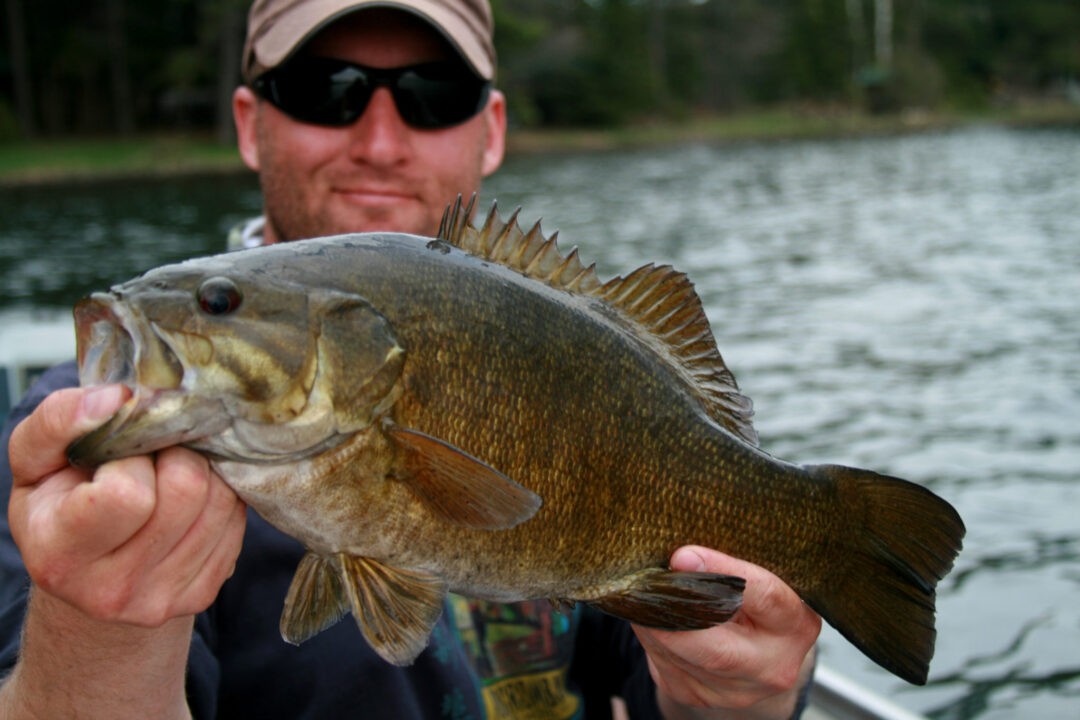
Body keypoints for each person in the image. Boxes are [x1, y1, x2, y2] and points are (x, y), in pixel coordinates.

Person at [0, 1, 820, 718]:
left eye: (434, 95)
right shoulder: (62, 453)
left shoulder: (578, 360)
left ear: (491, 128)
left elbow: (672, 699)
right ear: (250, 123)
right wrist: (91, 633)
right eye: (327, 88)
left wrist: (744, 696)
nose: (381, 140)